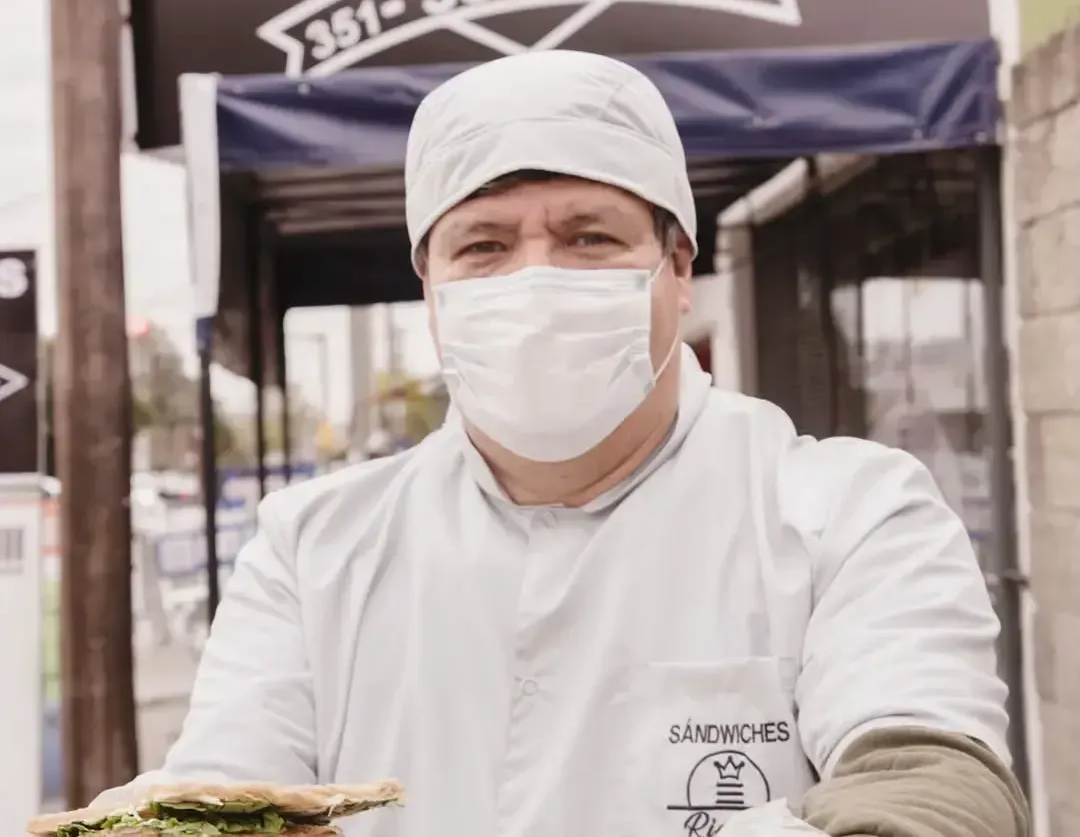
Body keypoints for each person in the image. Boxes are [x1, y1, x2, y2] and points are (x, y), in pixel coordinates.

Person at [95, 51, 1029, 837]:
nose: (534, 281)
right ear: (431, 288)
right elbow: (225, 793)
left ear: (677, 268)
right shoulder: (312, 549)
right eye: (484, 247)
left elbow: (937, 793)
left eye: (589, 237)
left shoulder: (849, 515)